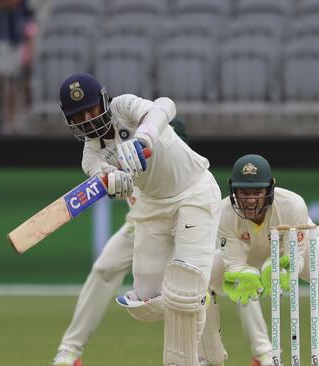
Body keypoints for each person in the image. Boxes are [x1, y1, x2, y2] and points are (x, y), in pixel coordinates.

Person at [57, 72, 222, 366]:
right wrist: (115, 182)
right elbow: (111, 181)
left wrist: (143, 137)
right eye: (78, 116)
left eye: (91, 109)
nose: (87, 119)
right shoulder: (91, 158)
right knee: (147, 299)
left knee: (186, 288)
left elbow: (165, 105)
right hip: (151, 207)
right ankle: (206, 343)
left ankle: (192, 360)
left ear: (105, 102)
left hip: (193, 190)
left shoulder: (123, 107)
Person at [210, 154, 319, 366]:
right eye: (244, 192)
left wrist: (283, 269)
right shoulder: (222, 213)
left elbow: (296, 259)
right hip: (249, 253)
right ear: (233, 191)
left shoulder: (292, 205)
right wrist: (243, 275)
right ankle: (206, 359)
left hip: (293, 250)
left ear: (269, 190)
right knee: (200, 280)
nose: (250, 200)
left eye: (257, 192)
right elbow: (235, 263)